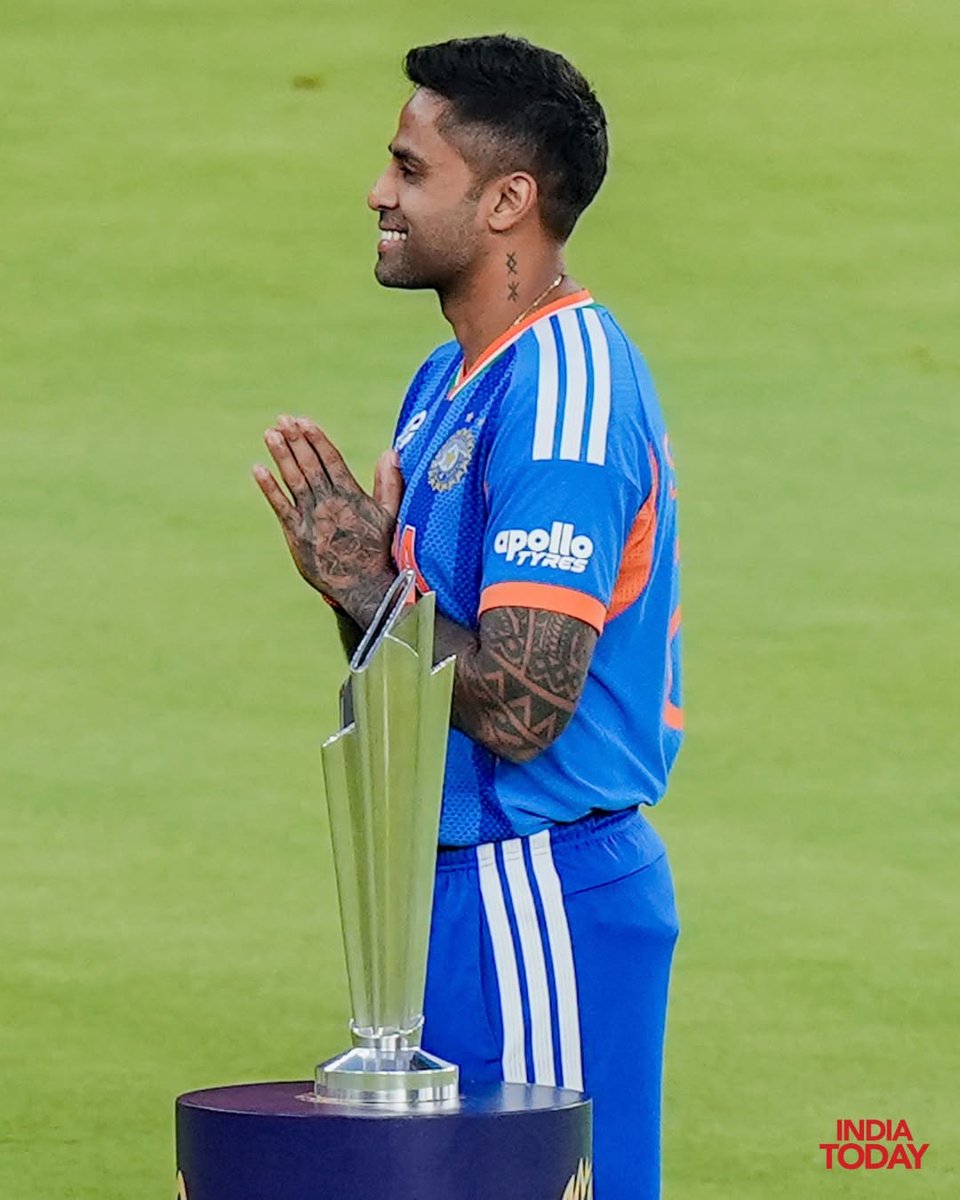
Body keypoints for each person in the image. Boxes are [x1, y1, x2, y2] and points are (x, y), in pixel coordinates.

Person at [253, 35, 683, 1199]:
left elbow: (524, 705)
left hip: (539, 890)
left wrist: (360, 579)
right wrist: (359, 591)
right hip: (451, 893)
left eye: (409, 167)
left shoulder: (564, 396)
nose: (378, 192)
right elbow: (413, 680)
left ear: (507, 200)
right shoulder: (449, 383)